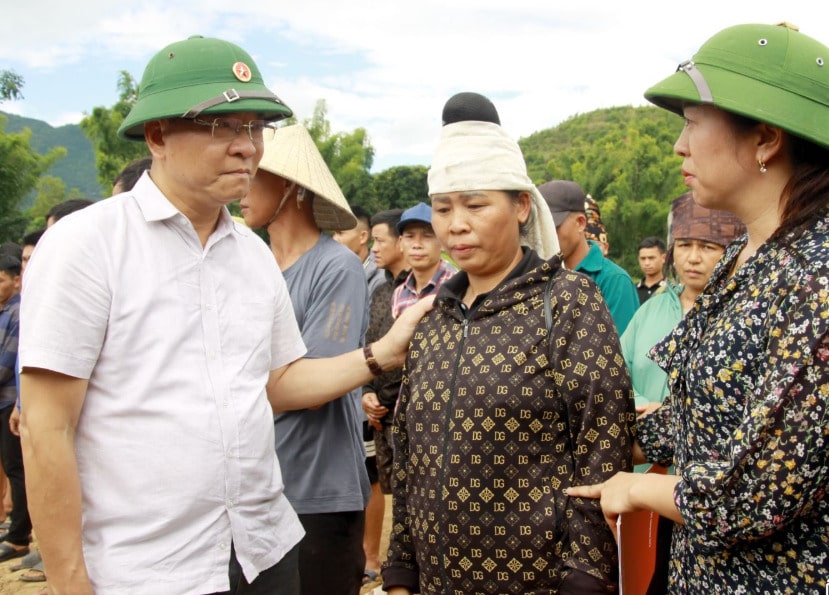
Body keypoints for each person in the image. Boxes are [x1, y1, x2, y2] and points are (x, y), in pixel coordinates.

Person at [18, 35, 430, 595]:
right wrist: (68, 580)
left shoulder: (251, 254)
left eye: (254, 128)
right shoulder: (86, 246)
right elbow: (47, 426)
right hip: (149, 569)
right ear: (158, 134)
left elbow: (277, 382)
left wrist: (384, 351)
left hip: (263, 550)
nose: (247, 147)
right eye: (223, 127)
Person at [568, 22, 829, 594]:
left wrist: (636, 488)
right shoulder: (747, 252)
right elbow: (707, 422)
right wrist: (610, 425)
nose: (678, 145)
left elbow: (757, 491)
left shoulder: (815, 276)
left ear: (765, 139)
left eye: (690, 124)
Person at [382, 93, 635, 594]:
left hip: (539, 582)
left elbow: (604, 442)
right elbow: (410, 452)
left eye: (476, 205)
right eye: (443, 208)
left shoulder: (567, 302)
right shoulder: (434, 318)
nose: (456, 224)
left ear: (522, 206)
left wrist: (585, 576)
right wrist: (400, 572)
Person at [240, 122, 371, 595]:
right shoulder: (250, 266)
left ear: (291, 186)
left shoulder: (335, 267)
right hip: (255, 486)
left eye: (254, 174)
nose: (241, 185)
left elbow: (315, 388)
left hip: (317, 490)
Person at [620, 192, 745, 593]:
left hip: (709, 491)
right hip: (643, 473)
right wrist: (644, 406)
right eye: (686, 246)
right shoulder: (652, 310)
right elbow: (617, 370)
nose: (693, 258)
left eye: (708, 247)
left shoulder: (742, 314)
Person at [358, 208, 408, 586]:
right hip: (381, 413)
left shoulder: (426, 291)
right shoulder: (381, 292)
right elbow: (370, 346)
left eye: (380, 239)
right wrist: (367, 393)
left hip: (411, 413)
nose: (375, 247)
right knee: (391, 489)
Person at [540, 180, 640, 333]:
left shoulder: (614, 281)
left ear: (580, 223)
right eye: (542, 229)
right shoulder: (542, 277)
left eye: (554, 228)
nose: (547, 237)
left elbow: (622, 348)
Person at [0, 254, 26, 563]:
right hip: (7, 400)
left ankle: (20, 534)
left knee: (16, 468)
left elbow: (8, 362)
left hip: (10, 400)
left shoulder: (18, 312)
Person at [391, 202, 457, 319]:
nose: (416, 245)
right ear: (400, 243)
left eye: (427, 236)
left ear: (442, 242)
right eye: (410, 237)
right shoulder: (399, 293)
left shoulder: (457, 286)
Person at [333, 205, 385, 297]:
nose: (334, 239)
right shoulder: (332, 272)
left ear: (363, 237)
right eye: (334, 233)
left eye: (340, 233)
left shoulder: (380, 279)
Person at [635, 236, 667, 304]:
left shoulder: (672, 290)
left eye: (651, 258)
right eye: (643, 258)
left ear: (663, 258)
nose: (647, 263)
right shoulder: (632, 290)